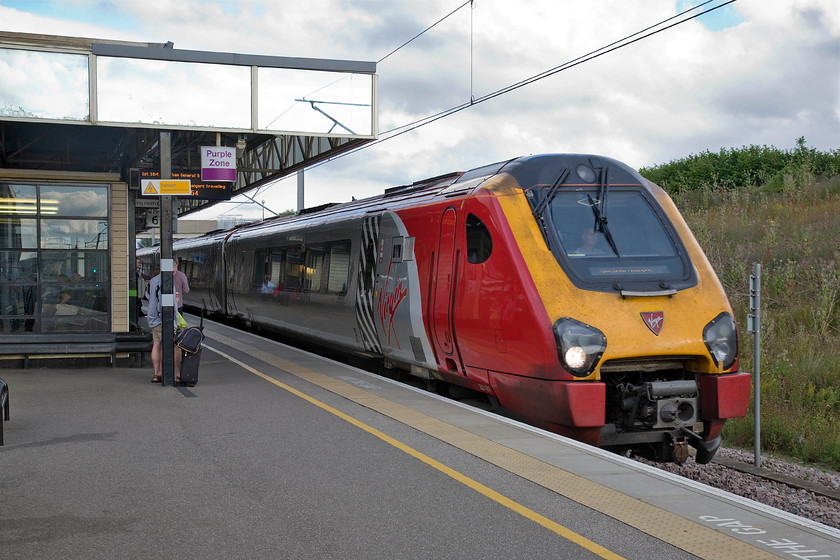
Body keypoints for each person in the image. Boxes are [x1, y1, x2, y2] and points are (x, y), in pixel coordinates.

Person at [147, 270, 182, 384]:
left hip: (153, 319)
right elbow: (164, 303)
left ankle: (157, 373)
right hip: (163, 321)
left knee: (157, 344)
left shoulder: (153, 280)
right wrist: (169, 320)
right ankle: (173, 374)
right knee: (173, 346)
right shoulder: (166, 281)